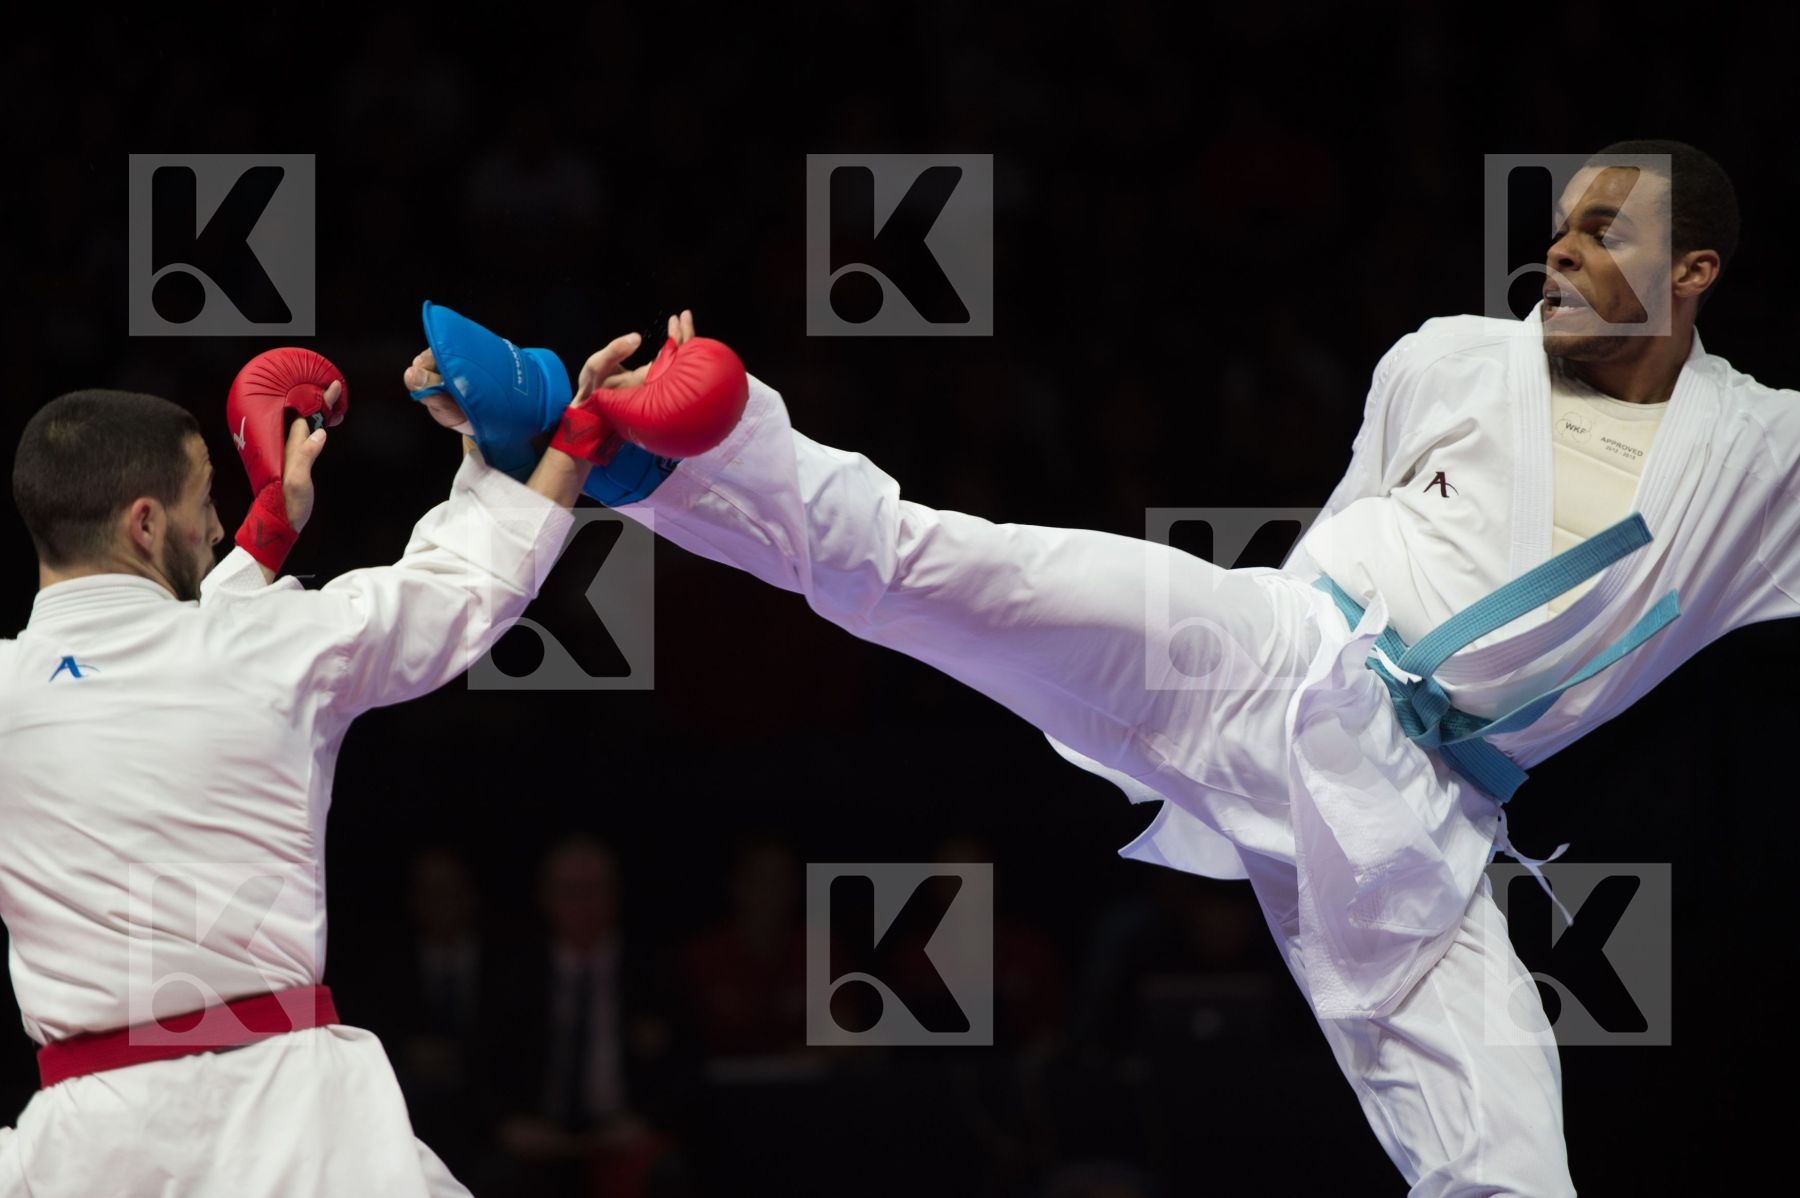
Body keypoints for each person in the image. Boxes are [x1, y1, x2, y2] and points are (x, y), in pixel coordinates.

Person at [507, 139, 1783, 1196]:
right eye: (1561, 221)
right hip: (1274, 658)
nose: (1559, 245)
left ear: (1695, 271)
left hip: (1420, 835)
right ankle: (650, 453)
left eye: (1606, 230)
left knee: (1511, 1169)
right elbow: (1345, 523)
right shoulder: (1451, 357)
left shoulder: (1761, 453)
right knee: (948, 572)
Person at [0, 323, 647, 1196]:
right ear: (145, 523)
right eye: (204, 499)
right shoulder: (267, 646)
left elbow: (156, 655)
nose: (221, 522)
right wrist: (569, 443)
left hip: (86, 1148)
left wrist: (267, 536)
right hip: (292, 1132)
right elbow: (460, 591)